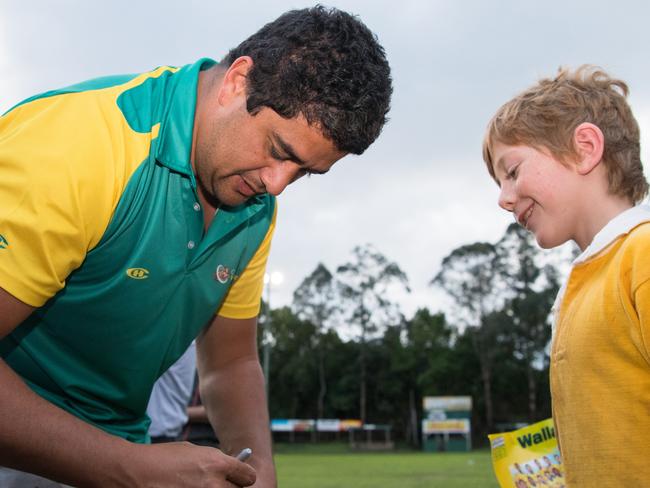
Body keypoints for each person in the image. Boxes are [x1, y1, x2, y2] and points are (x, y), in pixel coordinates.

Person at [0, 5, 392, 487]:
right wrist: (130, 467)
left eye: (306, 173)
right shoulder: (76, 146)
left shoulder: (253, 201)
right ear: (237, 82)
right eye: (279, 151)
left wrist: (260, 472)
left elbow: (231, 362)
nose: (277, 187)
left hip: (117, 447)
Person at [482, 65, 650, 486]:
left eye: (513, 171)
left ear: (585, 148)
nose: (504, 199)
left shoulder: (641, 257)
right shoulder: (587, 279)